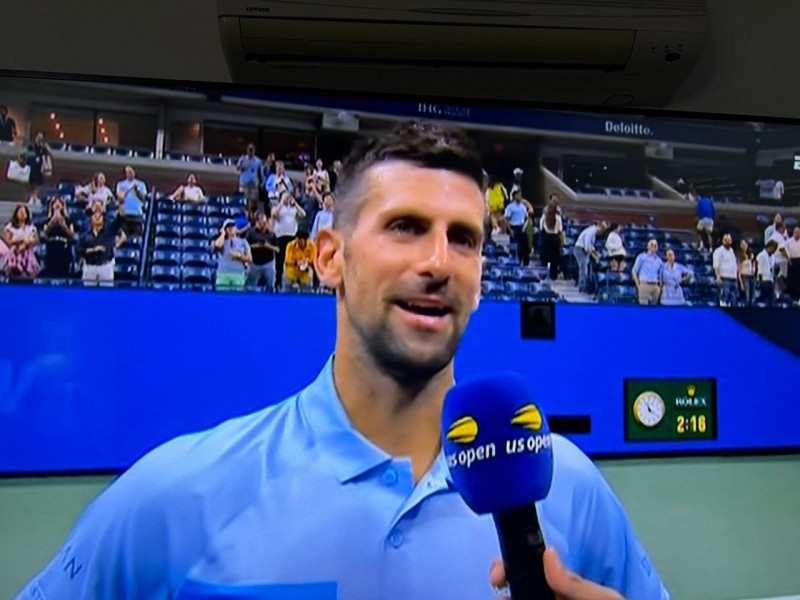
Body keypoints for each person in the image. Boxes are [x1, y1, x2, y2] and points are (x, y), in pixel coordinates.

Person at [15, 121, 669, 600]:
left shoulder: (570, 488)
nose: (438, 262)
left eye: (463, 239)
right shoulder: (176, 496)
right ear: (329, 257)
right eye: (405, 227)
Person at [79, 202, 126, 287]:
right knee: (88, 293)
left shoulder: (110, 229)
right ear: (91, 219)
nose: (97, 217)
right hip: (89, 267)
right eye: (95, 216)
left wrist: (120, 204)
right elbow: (79, 249)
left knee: (106, 293)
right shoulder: (86, 233)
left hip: (105, 267)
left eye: (99, 216)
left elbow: (120, 219)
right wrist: (93, 250)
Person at [2, 204, 39, 280]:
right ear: (16, 214)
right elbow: (8, 241)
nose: (22, 214)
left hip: (27, 253)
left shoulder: (31, 227)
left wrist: (27, 243)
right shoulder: (10, 227)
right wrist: (20, 239)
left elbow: (36, 240)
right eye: (20, 212)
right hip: (14, 253)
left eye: (24, 212)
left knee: (29, 276)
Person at [213, 218, 251, 291]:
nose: (231, 228)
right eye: (228, 227)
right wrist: (223, 234)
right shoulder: (221, 240)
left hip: (238, 274)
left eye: (232, 226)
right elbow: (217, 245)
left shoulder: (243, 241)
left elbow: (249, 259)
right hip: (223, 274)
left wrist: (238, 256)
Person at [244, 211, 279, 291]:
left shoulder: (271, 234)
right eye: (261, 223)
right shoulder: (250, 233)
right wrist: (257, 245)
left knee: (270, 286)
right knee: (251, 287)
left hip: (268, 263)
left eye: (265, 223)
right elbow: (245, 247)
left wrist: (268, 246)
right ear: (257, 222)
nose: (263, 225)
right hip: (254, 263)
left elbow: (277, 249)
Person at [41, 196, 75, 279]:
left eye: (59, 203)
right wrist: (52, 221)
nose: (57, 204)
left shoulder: (68, 220)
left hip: (64, 246)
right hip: (51, 246)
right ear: (51, 206)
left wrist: (63, 224)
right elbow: (45, 233)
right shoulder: (47, 220)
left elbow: (71, 234)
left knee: (63, 270)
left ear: (63, 206)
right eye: (55, 203)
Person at [573, 221, 608, 294]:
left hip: (584, 250)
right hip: (580, 249)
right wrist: (594, 256)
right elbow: (587, 247)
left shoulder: (593, 232)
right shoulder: (591, 231)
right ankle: (582, 287)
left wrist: (596, 254)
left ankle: (585, 285)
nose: (602, 233)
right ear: (600, 227)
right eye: (602, 230)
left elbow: (591, 246)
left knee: (586, 269)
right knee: (583, 269)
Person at [115, 165, 147, 236]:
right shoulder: (120, 184)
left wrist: (137, 191)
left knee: (136, 236)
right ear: (125, 174)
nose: (131, 173)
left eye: (132, 171)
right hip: (124, 215)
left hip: (137, 214)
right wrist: (129, 189)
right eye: (128, 172)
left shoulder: (141, 184)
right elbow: (120, 198)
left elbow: (143, 198)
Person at [631, 239, 663, 305]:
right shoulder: (641, 257)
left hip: (655, 287)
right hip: (644, 285)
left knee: (653, 308)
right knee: (643, 308)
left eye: (655, 245)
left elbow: (661, 275)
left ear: (657, 248)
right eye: (652, 244)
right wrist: (638, 286)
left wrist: (659, 287)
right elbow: (634, 271)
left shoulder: (659, 261)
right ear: (648, 246)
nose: (654, 246)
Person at [539, 198, 564, 281]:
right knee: (554, 259)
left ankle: (543, 275)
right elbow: (560, 230)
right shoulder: (558, 217)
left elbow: (541, 227)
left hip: (546, 239)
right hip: (555, 239)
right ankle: (553, 276)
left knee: (544, 259)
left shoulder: (544, 216)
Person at [504, 188, 530, 266]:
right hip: (514, 228)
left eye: (520, 195)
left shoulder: (523, 207)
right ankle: (515, 263)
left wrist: (525, 226)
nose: (519, 196)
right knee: (515, 247)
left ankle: (525, 263)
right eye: (518, 195)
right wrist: (510, 230)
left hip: (522, 228)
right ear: (515, 196)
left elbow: (527, 218)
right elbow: (507, 219)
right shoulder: (510, 207)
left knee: (525, 246)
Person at [713, 233, 739, 307]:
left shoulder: (732, 251)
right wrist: (718, 277)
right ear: (722, 240)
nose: (727, 241)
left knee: (734, 301)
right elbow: (716, 265)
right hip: (724, 279)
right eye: (726, 240)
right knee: (724, 300)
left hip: (734, 279)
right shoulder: (718, 251)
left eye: (729, 240)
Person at [755, 239, 778, 306]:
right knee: (765, 297)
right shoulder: (761, 255)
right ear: (769, 246)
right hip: (763, 280)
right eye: (773, 248)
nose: (774, 250)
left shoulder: (772, 257)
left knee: (771, 298)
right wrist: (759, 280)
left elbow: (772, 267)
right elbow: (758, 267)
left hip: (770, 279)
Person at [737, 239, 756, 306]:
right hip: (744, 277)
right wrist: (741, 283)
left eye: (745, 244)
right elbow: (739, 270)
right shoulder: (739, 256)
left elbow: (754, 265)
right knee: (747, 297)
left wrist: (754, 270)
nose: (744, 246)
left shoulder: (751, 254)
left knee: (753, 297)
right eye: (742, 244)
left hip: (752, 277)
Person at [787, 226, 800, 304]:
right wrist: (788, 259)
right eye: (796, 232)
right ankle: (792, 297)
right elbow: (785, 251)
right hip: (792, 261)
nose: (797, 233)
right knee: (792, 280)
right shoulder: (789, 241)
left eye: (798, 232)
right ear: (793, 232)